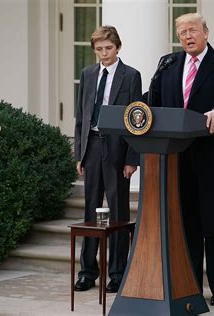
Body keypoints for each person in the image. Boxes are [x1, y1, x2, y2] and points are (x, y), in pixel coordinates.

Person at [143, 13, 214, 306]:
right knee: (185, 223)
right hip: (178, 156)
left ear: (205, 32)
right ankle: (190, 286)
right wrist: (135, 109)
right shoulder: (169, 63)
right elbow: (155, 98)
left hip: (213, 156)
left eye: (192, 30)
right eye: (182, 32)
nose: (187, 36)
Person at [74, 25, 141, 293]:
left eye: (108, 48)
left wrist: (131, 158)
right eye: (99, 49)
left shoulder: (131, 76)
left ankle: (117, 273)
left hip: (117, 149)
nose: (104, 54)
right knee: (90, 211)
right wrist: (79, 153)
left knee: (118, 212)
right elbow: (81, 115)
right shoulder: (87, 74)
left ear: (118, 47)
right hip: (91, 146)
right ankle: (87, 272)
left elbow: (138, 119)